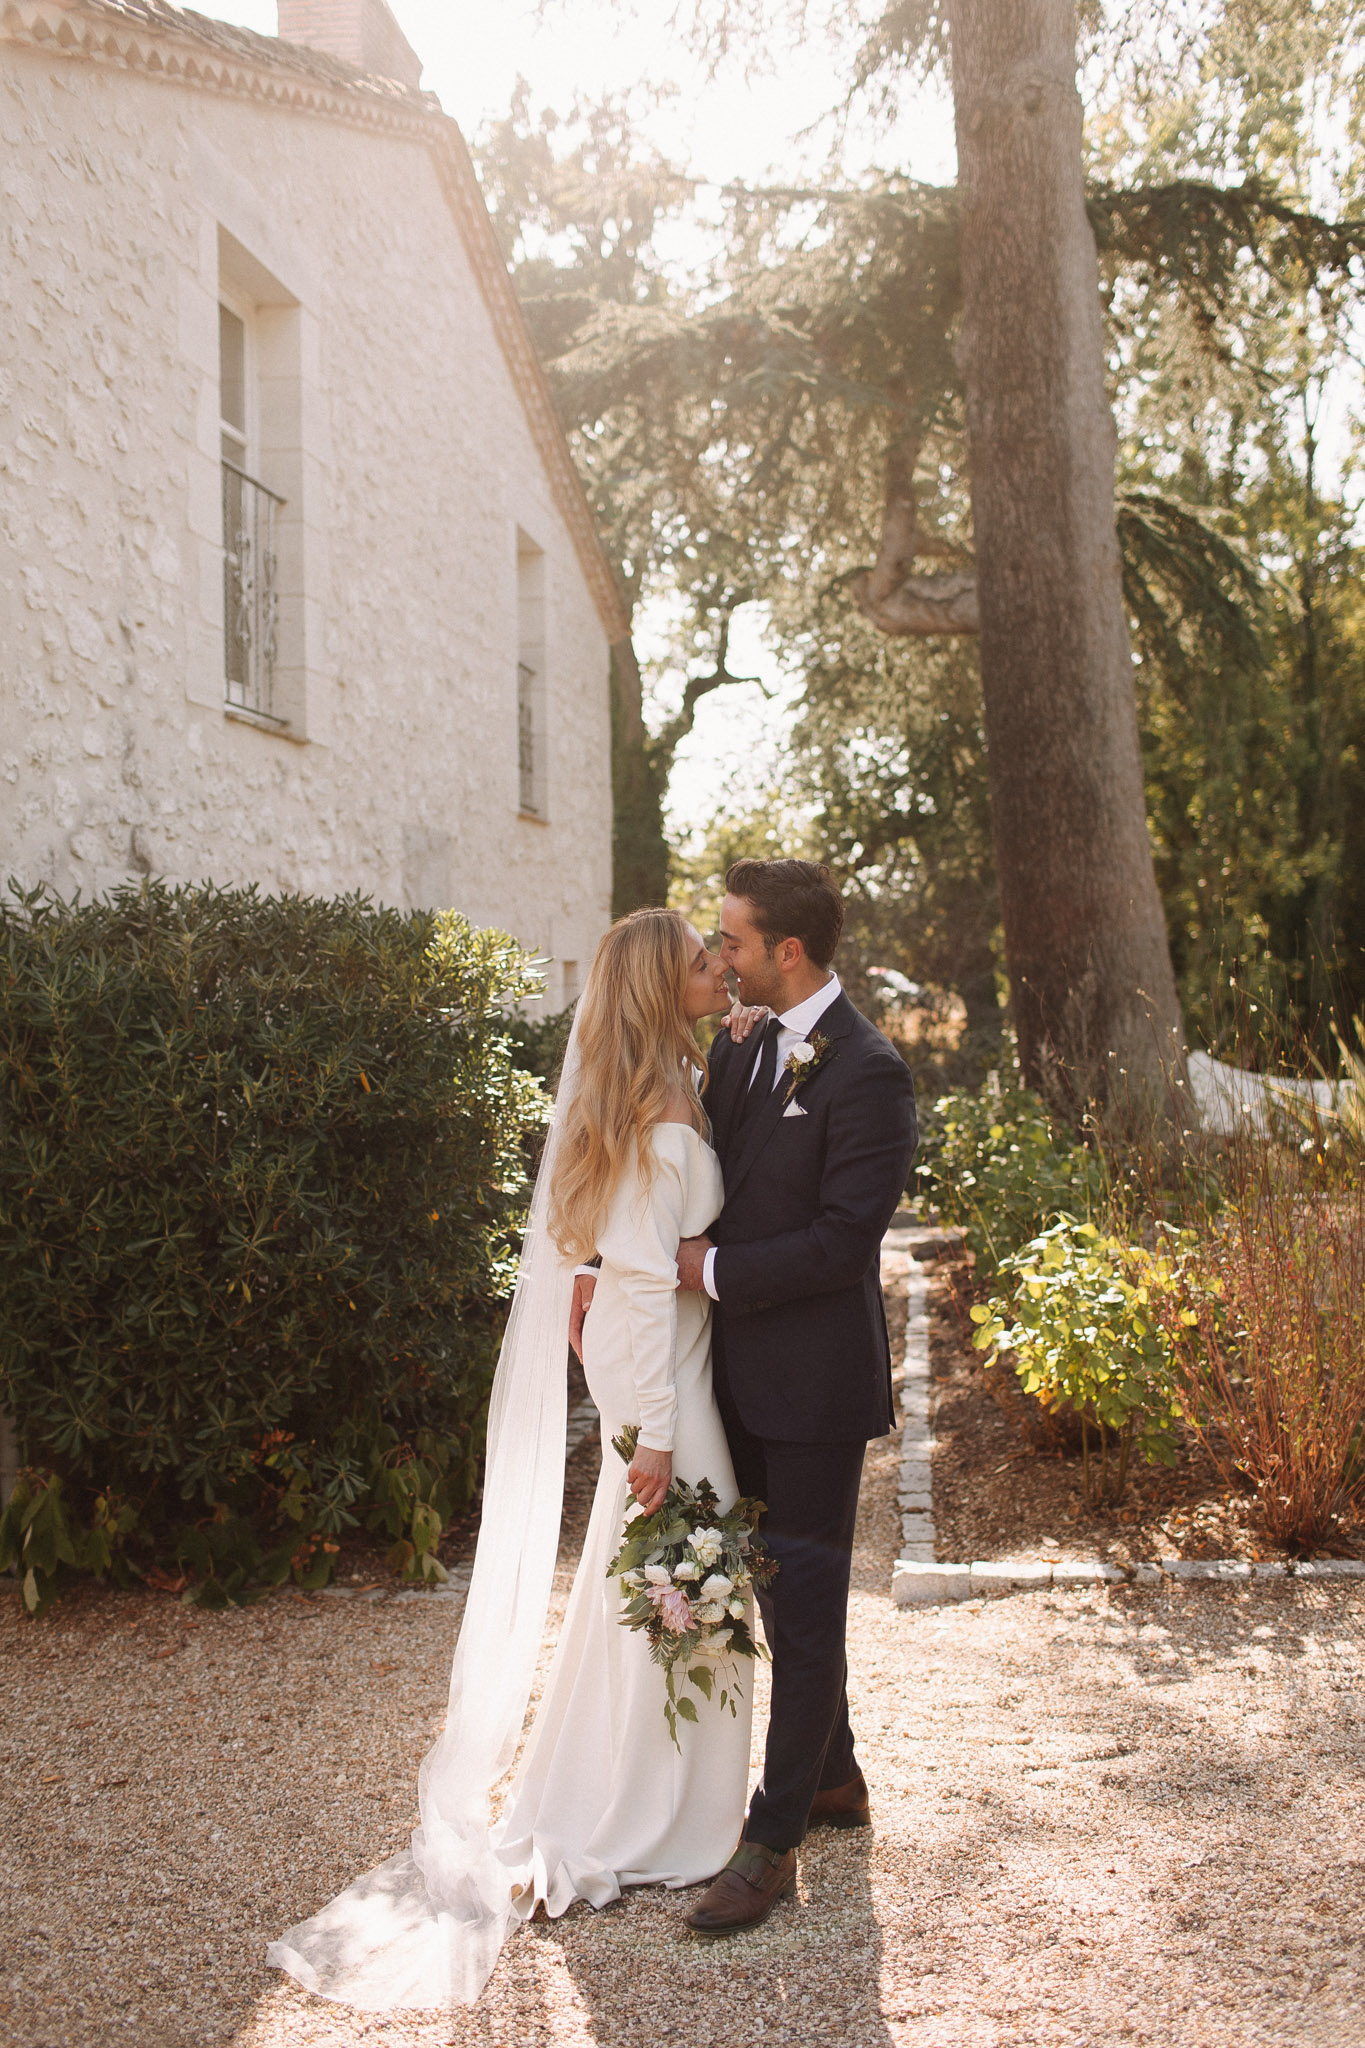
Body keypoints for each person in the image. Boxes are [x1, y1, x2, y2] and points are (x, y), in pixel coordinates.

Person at [267, 908, 757, 2010]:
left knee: (659, 1598)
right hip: (665, 1392)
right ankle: (659, 1814)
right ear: (651, 986)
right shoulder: (652, 1106)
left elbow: (622, 1269)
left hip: (681, 1378)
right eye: (696, 957)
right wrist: (656, 1429)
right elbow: (630, 1281)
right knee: (685, 1592)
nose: (713, 965)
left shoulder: (680, 1084)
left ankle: (675, 1797)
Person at [573, 858, 918, 1935]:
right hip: (729, 1382)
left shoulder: (870, 1071)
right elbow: (662, 1174)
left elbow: (841, 1242)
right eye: (711, 942)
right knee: (777, 1597)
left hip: (813, 1387)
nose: (717, 956)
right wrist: (604, 1259)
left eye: (731, 939)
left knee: (805, 1608)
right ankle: (836, 1778)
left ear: (789, 952)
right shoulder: (741, 1044)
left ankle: (770, 1840)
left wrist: (704, 1273)